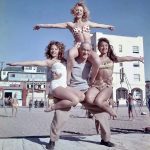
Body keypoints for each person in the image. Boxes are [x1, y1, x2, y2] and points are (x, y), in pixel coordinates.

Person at [46, 42, 115, 150]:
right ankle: (52, 140)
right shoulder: (70, 60)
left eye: (88, 50)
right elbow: (59, 60)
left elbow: (102, 68)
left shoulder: (90, 62)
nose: (85, 52)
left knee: (101, 112)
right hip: (71, 90)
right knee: (60, 114)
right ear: (79, 50)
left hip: (86, 90)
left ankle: (105, 140)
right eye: (83, 50)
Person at [33, 2, 114, 85]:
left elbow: (99, 25)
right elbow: (54, 25)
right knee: (71, 53)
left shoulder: (88, 23)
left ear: (83, 13)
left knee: (97, 61)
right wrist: (41, 25)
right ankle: (68, 78)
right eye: (77, 10)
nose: (79, 12)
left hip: (88, 48)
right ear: (74, 12)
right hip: (78, 47)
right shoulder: (71, 25)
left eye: (80, 10)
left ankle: (92, 79)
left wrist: (108, 26)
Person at [7, 41, 84, 111]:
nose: (53, 51)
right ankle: (53, 107)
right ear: (49, 51)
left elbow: (71, 53)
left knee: (82, 96)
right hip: (56, 86)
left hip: (64, 86)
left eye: (56, 49)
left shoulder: (64, 59)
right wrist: (16, 63)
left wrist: (75, 47)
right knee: (75, 100)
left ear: (59, 50)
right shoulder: (49, 62)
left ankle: (64, 103)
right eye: (51, 49)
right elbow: (34, 63)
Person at [85, 37, 144, 118]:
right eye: (102, 46)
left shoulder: (112, 58)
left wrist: (138, 58)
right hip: (96, 85)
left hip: (106, 86)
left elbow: (126, 58)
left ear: (108, 47)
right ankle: (103, 106)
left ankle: (109, 109)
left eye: (106, 45)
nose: (104, 47)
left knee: (98, 101)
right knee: (88, 99)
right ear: (98, 47)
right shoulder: (95, 59)